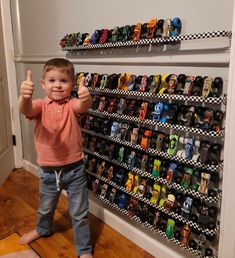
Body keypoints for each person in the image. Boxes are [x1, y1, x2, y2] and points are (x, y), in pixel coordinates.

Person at [18, 58, 93, 258]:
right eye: (51, 80)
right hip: (48, 171)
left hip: (75, 169)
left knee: (79, 213)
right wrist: (24, 97)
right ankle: (42, 229)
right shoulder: (41, 105)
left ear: (72, 85)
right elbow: (26, 110)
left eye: (63, 80)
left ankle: (84, 249)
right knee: (45, 207)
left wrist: (86, 98)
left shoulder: (72, 105)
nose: (57, 85)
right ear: (43, 84)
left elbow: (82, 107)